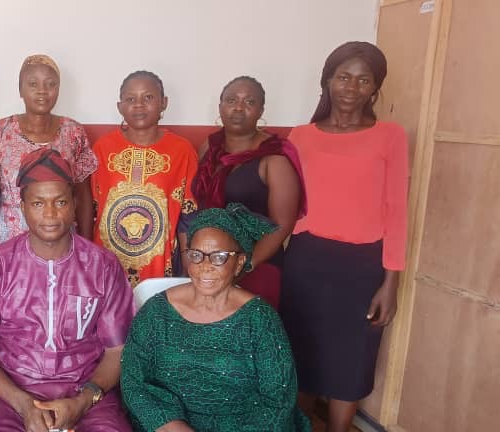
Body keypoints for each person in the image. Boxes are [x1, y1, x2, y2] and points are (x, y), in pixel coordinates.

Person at [279, 41, 408, 432]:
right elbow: (289, 200)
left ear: (375, 88)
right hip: (306, 261)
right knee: (302, 352)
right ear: (328, 81)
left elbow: (396, 210)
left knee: (353, 359)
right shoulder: (300, 136)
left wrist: (391, 282)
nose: (351, 88)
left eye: (363, 80)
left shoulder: (390, 136)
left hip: (363, 266)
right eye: (343, 77)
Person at [0, 148, 134, 431]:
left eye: (60, 202)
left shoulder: (102, 266)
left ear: (74, 204)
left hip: (85, 392)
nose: (50, 214)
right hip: (10, 395)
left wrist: (83, 401)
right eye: (38, 203)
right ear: (23, 208)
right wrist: (23, 405)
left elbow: (117, 349)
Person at [121, 204, 311, 432]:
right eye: (196, 255)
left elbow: (278, 399)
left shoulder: (260, 319)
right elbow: (132, 380)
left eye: (219, 257)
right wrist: (172, 427)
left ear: (239, 263)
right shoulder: (157, 312)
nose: (205, 266)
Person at [189, 76, 305, 309]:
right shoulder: (209, 148)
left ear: (261, 110)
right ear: (220, 106)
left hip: (256, 266)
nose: (238, 108)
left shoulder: (274, 157)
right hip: (209, 265)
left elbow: (282, 225)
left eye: (249, 102)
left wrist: (243, 266)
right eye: (231, 100)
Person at [92, 71, 199, 287]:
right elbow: (93, 207)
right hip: (107, 259)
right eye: (131, 99)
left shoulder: (181, 150)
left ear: (164, 103)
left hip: (161, 261)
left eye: (148, 97)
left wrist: (190, 266)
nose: (139, 105)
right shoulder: (102, 148)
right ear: (120, 107)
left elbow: (189, 214)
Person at [0, 54, 97, 244]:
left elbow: (82, 196)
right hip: (7, 240)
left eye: (50, 84)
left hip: (60, 241)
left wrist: (86, 244)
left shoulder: (73, 132)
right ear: (20, 89)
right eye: (33, 84)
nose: (42, 91)